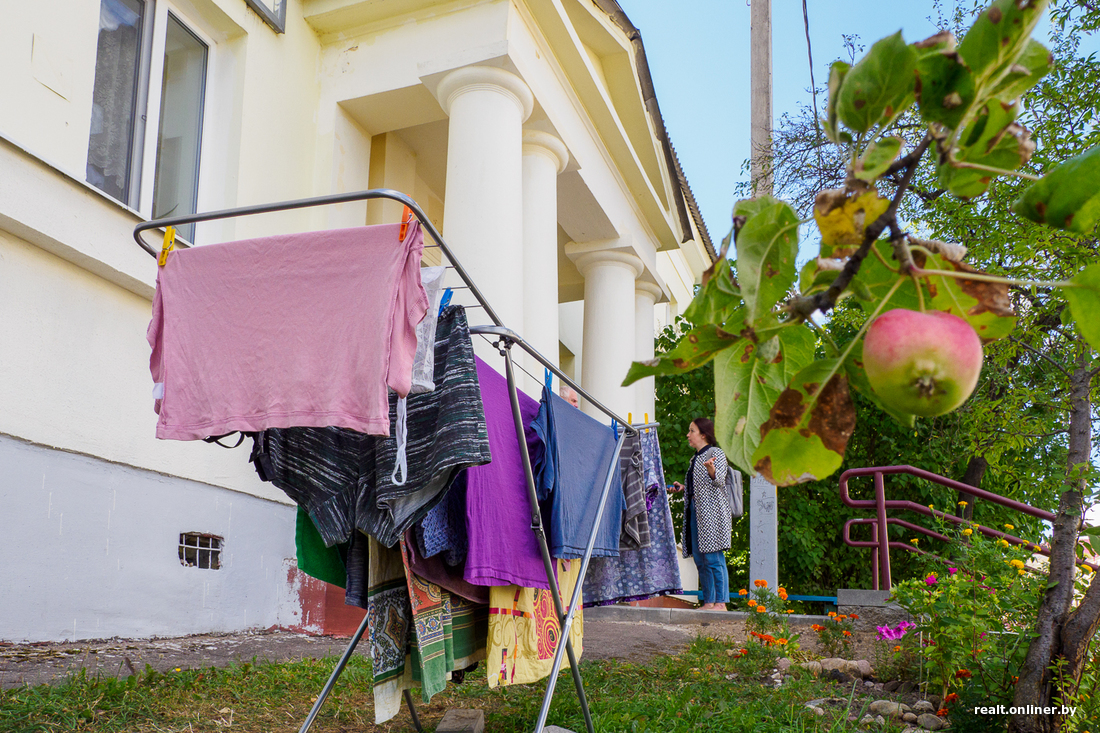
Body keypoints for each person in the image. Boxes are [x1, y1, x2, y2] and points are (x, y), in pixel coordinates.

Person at [670, 418, 731, 611]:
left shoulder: (716, 453)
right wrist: (682, 487)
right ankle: (709, 602)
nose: (688, 435)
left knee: (713, 558)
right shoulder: (695, 458)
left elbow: (720, 480)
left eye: (692, 431)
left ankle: (720, 603)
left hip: (713, 515)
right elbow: (697, 485)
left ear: (703, 434)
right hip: (696, 513)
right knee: (700, 558)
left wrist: (712, 470)